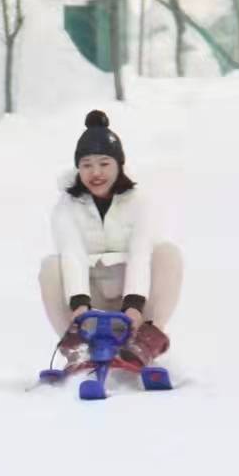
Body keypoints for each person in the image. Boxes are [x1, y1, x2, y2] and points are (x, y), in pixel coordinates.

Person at [38, 110, 184, 366]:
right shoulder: (67, 207)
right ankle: (77, 346)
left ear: (119, 165)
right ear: (78, 169)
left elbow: (140, 252)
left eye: (104, 163)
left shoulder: (139, 202)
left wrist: (135, 306)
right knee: (51, 266)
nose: (96, 173)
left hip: (133, 296)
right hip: (91, 298)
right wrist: (79, 307)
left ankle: (145, 340)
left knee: (167, 253)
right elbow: (72, 253)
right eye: (87, 165)